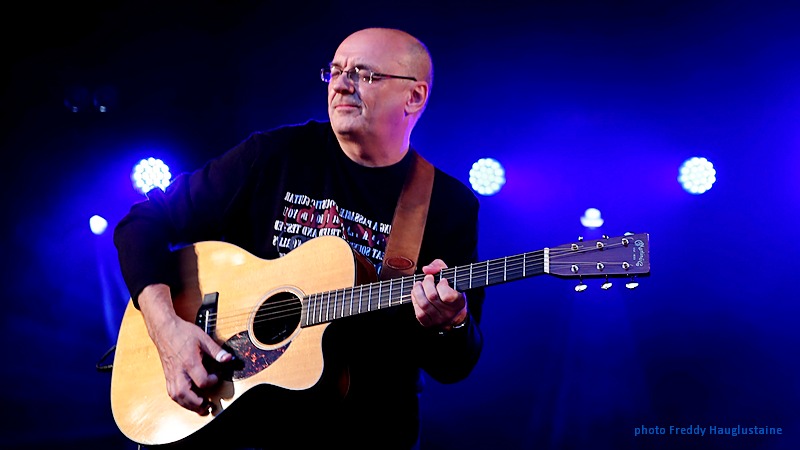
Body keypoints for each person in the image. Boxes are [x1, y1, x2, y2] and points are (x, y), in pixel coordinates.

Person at [114, 27, 484, 449]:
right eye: (336, 71)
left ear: (414, 97)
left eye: (364, 74)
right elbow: (141, 224)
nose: (341, 85)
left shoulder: (446, 205)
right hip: (229, 423)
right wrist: (166, 330)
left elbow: (455, 366)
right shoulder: (274, 155)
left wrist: (451, 323)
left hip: (364, 433)